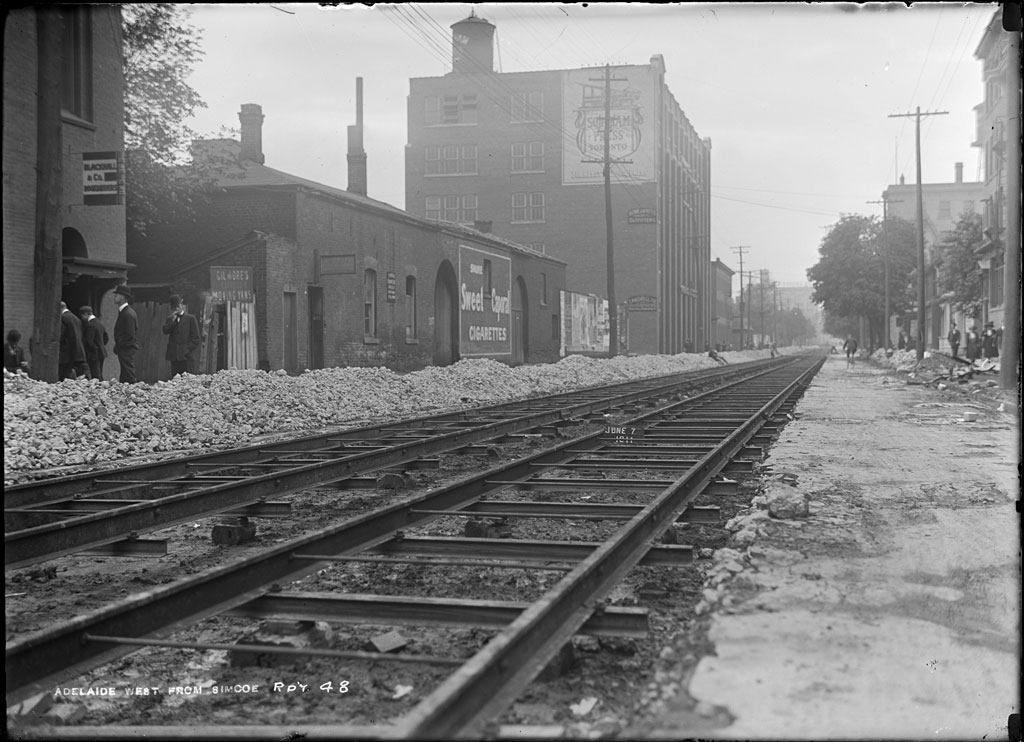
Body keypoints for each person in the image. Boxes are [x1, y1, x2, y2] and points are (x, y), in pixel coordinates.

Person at [162, 294, 202, 377]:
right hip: (174, 357)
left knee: (188, 381)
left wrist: (187, 349)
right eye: (174, 307)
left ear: (182, 305)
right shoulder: (170, 319)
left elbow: (196, 339)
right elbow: (165, 331)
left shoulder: (191, 319)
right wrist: (172, 322)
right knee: (176, 381)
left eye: (178, 306)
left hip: (187, 358)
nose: (176, 309)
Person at [112, 285, 139, 383]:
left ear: (123, 297)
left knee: (128, 373)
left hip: (126, 348)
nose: (115, 297)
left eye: (117, 295)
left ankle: (133, 393)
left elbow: (129, 334)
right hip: (125, 347)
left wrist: (119, 345)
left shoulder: (127, 314)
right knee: (125, 373)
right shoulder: (126, 312)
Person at [59, 301, 88, 380]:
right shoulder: (76, 319)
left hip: (66, 354)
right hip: (77, 352)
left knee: (62, 377)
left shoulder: (62, 318)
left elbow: (61, 335)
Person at [78, 306, 108, 381]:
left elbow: (89, 341)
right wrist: (100, 345)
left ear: (85, 314)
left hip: (94, 354)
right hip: (101, 352)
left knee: (95, 375)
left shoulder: (90, 325)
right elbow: (106, 338)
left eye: (82, 316)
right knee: (99, 373)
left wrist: (92, 349)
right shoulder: (99, 323)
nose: (82, 318)